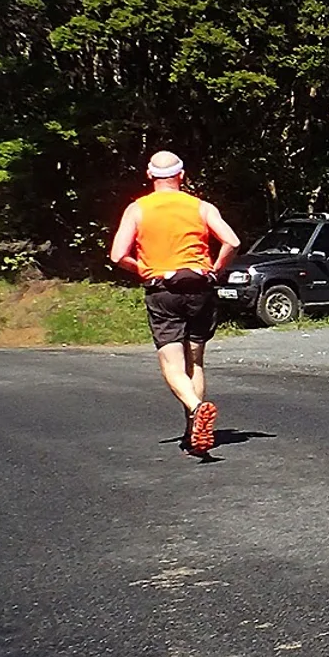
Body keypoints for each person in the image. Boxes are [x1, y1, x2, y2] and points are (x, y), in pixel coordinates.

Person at [110, 151, 241, 456]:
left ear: (149, 175)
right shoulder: (200, 206)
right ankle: (192, 432)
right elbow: (232, 241)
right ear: (181, 176)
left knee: (172, 363)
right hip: (200, 287)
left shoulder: (137, 209)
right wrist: (216, 268)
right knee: (195, 361)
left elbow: (117, 255)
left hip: (163, 290)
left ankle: (197, 408)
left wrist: (140, 267)